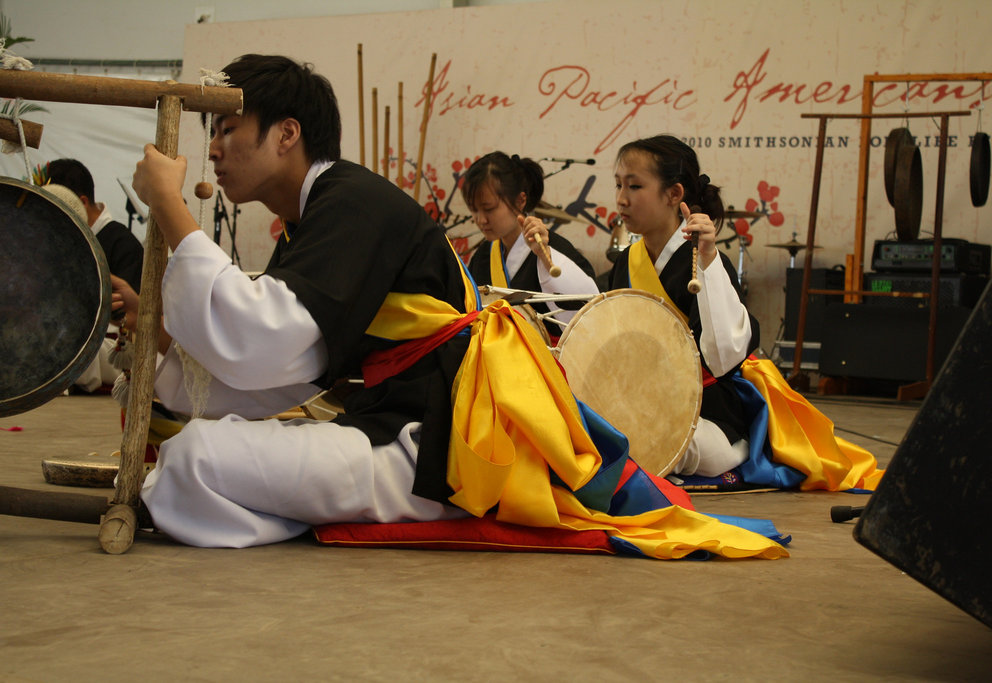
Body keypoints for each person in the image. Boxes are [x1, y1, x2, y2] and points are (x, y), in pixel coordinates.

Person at [114, 55, 785, 559]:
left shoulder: (351, 202)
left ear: (287, 133)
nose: (214, 148)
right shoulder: (320, 214)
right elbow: (285, 367)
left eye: (229, 129)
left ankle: (324, 511)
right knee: (194, 448)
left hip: (442, 443)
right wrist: (169, 348)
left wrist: (170, 208)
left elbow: (262, 336)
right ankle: (296, 509)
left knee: (198, 456)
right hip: (413, 424)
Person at [607, 135, 882, 491]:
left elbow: (723, 359)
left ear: (674, 194)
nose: (621, 199)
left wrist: (707, 259)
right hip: (643, 401)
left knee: (643, 442)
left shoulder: (705, 262)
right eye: (618, 185)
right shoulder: (627, 263)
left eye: (635, 186)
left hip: (707, 414)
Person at [462, 152, 598, 336]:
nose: (481, 220)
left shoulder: (552, 250)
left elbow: (589, 313)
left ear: (520, 201)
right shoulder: (483, 255)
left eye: (488, 209)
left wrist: (544, 257)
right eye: (474, 210)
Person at [47, 158, 145, 394]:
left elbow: (125, 317)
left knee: (62, 350)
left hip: (107, 344)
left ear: (81, 202)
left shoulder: (122, 243)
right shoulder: (56, 243)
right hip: (62, 334)